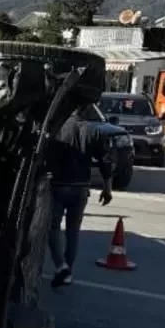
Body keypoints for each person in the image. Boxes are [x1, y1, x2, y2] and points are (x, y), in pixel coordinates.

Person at [46, 106, 115, 288]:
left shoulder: (57, 129)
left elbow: (47, 157)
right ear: (83, 112)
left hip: (59, 185)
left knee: (52, 227)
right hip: (81, 187)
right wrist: (107, 188)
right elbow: (105, 161)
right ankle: (68, 270)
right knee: (72, 231)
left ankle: (61, 266)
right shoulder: (93, 131)